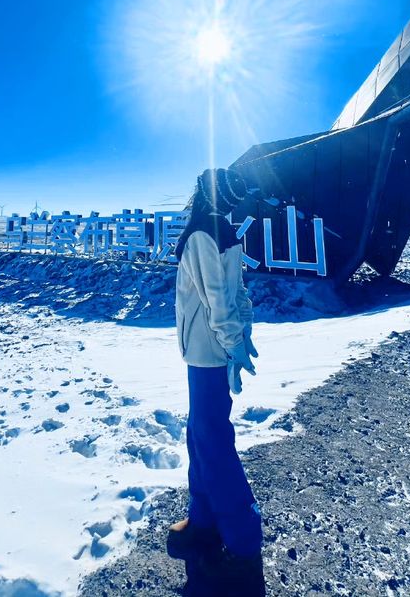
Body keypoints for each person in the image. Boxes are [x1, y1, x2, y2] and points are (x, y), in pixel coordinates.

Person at [167, 167, 265, 596]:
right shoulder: (224, 231)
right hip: (208, 352)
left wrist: (234, 341)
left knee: (212, 442)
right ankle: (203, 520)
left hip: (207, 355)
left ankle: (243, 543)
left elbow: (219, 300)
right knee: (200, 436)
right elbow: (237, 295)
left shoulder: (203, 234)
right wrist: (241, 337)